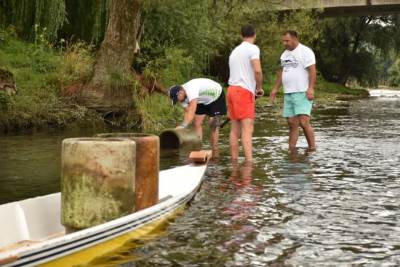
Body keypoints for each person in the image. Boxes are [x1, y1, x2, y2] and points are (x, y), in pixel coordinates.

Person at [270, 30, 316, 152]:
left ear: (295, 39)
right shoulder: (284, 55)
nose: (285, 43)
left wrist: (310, 88)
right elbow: (282, 74)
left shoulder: (305, 51)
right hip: (288, 93)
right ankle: (292, 150)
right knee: (291, 123)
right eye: (283, 41)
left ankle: (312, 149)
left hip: (302, 91)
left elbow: (312, 70)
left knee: (304, 122)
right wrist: (275, 89)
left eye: (287, 41)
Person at [227, 25, 264, 163]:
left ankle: (234, 162)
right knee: (247, 129)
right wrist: (258, 88)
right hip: (243, 92)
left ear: (241, 35)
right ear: (254, 34)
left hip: (231, 90)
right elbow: (258, 71)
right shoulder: (253, 48)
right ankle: (249, 163)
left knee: (234, 130)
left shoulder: (235, 51)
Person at [169, 78, 227, 154]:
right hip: (201, 100)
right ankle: (198, 149)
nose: (178, 101)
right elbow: (188, 112)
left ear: (180, 92)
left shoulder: (191, 89)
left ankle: (214, 150)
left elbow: (192, 110)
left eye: (177, 99)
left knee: (213, 125)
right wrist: (182, 127)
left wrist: (183, 126)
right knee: (196, 123)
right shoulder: (182, 98)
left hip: (216, 96)